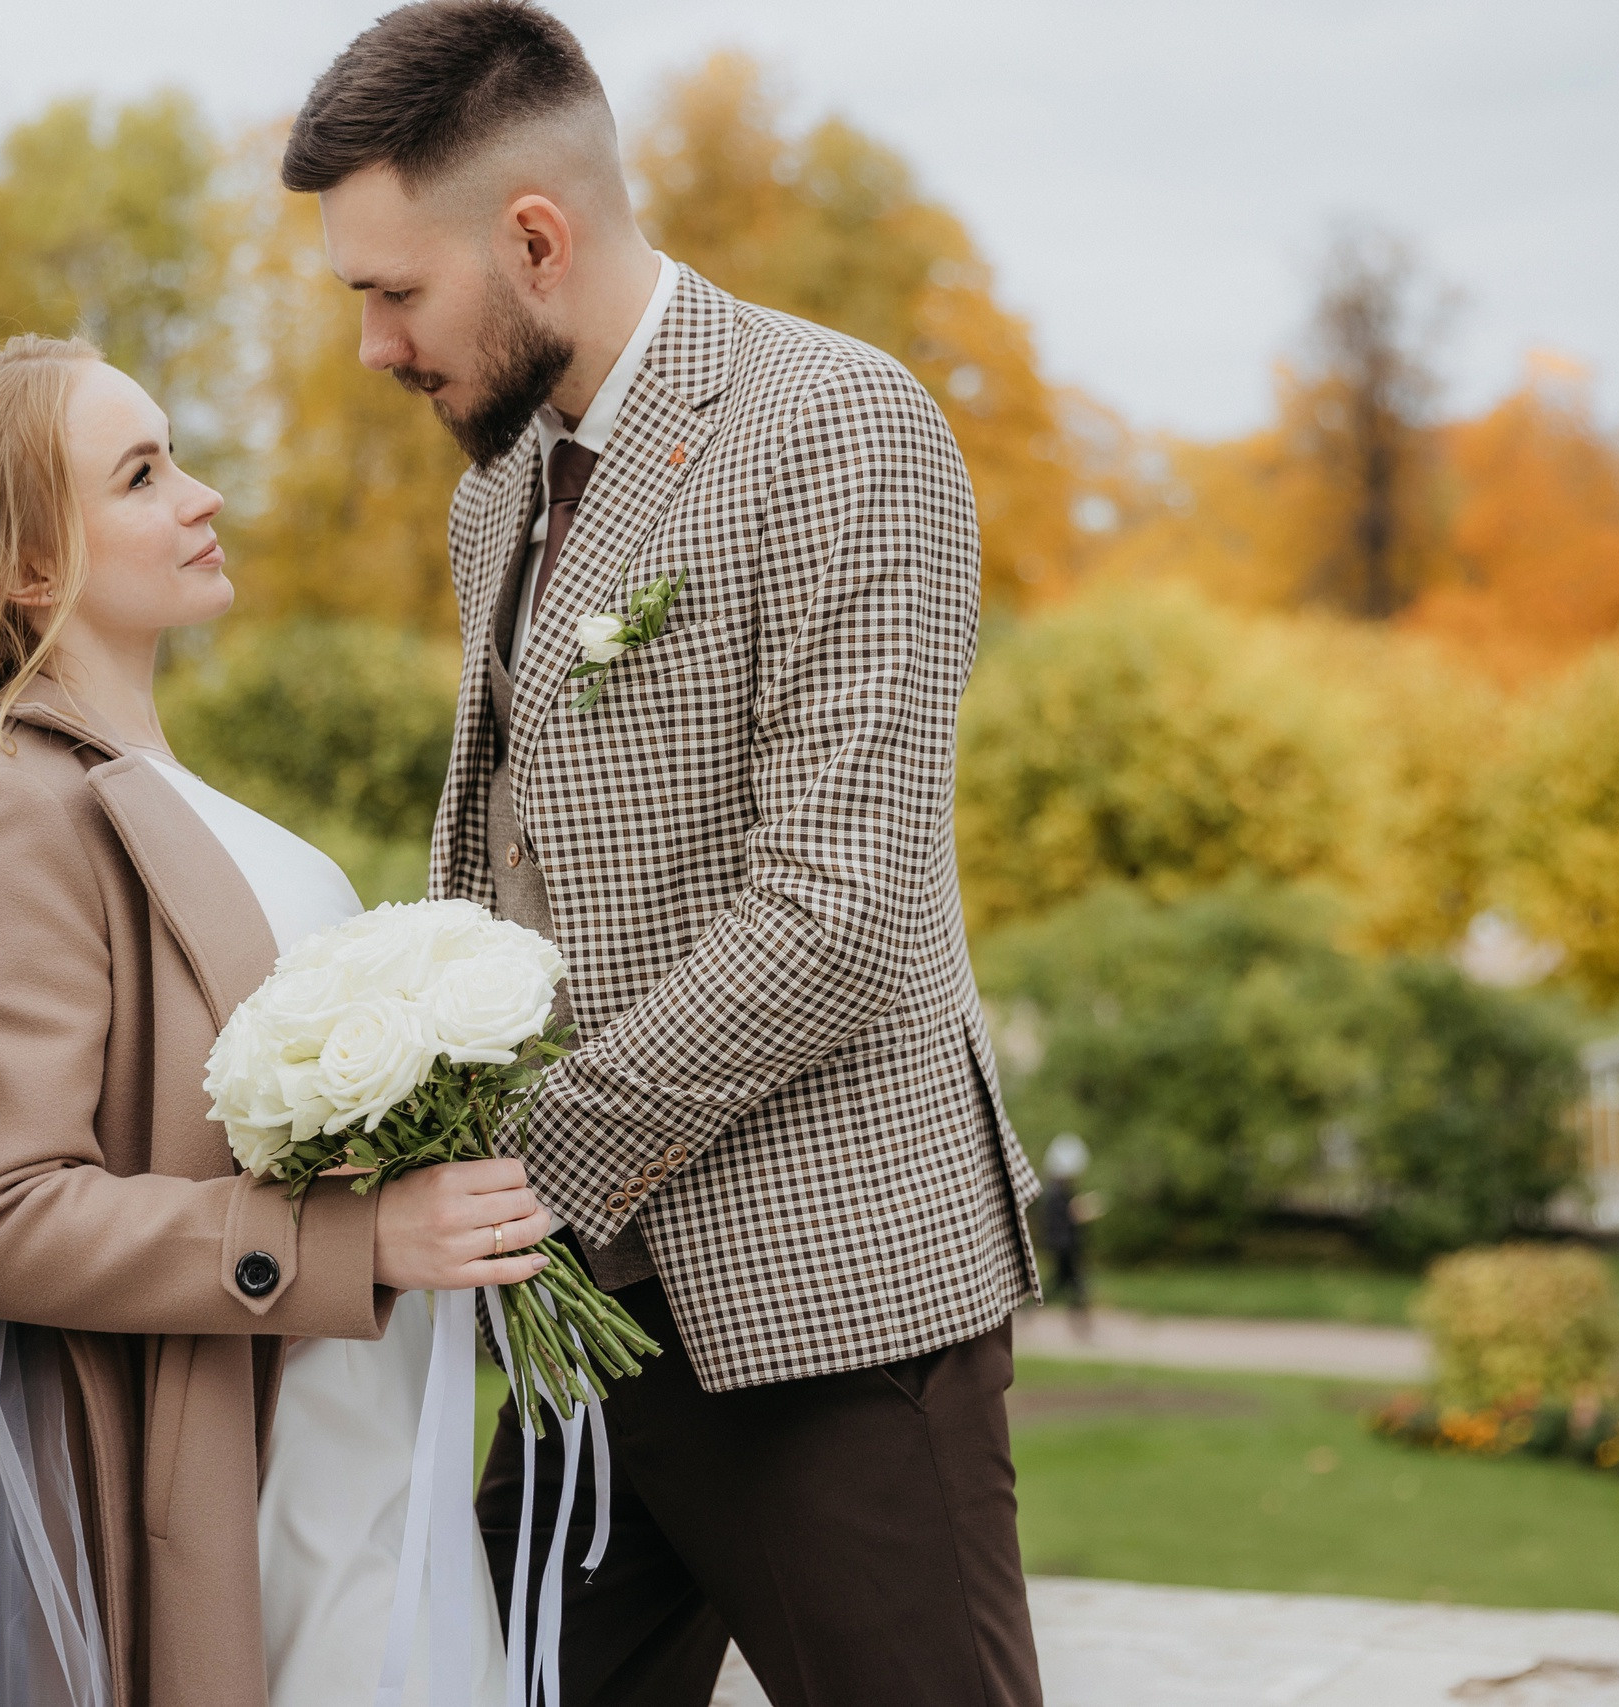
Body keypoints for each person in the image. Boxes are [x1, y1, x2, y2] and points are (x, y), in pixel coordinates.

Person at [284, 7, 1047, 1704]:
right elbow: (518, 863)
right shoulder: (500, 492)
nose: (375, 349)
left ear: (534, 237)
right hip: (593, 1325)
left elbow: (841, 908)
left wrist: (522, 1164)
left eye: (392, 292)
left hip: (828, 1309)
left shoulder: (842, 426)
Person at [0, 334, 531, 1705]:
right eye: (141, 474)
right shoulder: (21, 813)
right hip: (266, 1476)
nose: (204, 495)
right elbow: (2, 1212)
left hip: (363, 1450)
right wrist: (360, 1236)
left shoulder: (149, 782)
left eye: (174, 455)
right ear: (30, 566)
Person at [1037, 1134, 1094, 1332]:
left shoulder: (1056, 1190)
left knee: (1063, 1284)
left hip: (1064, 1243)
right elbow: (1065, 1217)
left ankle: (1080, 1325)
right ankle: (1082, 1326)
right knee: (1075, 1285)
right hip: (1064, 1244)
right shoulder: (1055, 1193)